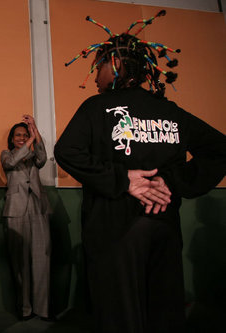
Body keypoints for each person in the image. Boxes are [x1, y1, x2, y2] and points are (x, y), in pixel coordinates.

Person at [55, 11, 226, 332]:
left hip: (114, 233)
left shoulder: (95, 107)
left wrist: (124, 179)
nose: (95, 76)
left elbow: (66, 151)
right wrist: (171, 181)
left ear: (116, 64)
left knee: (121, 317)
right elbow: (220, 149)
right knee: (164, 312)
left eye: (99, 65)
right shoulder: (171, 111)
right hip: (164, 228)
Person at [1, 115, 52, 320]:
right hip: (15, 210)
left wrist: (35, 132)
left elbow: (42, 158)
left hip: (38, 207)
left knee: (42, 260)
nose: (22, 138)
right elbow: (12, 162)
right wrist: (29, 141)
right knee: (19, 261)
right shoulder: (6, 154)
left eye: (25, 135)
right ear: (12, 139)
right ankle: (25, 309)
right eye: (18, 136)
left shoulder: (33, 156)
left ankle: (43, 309)